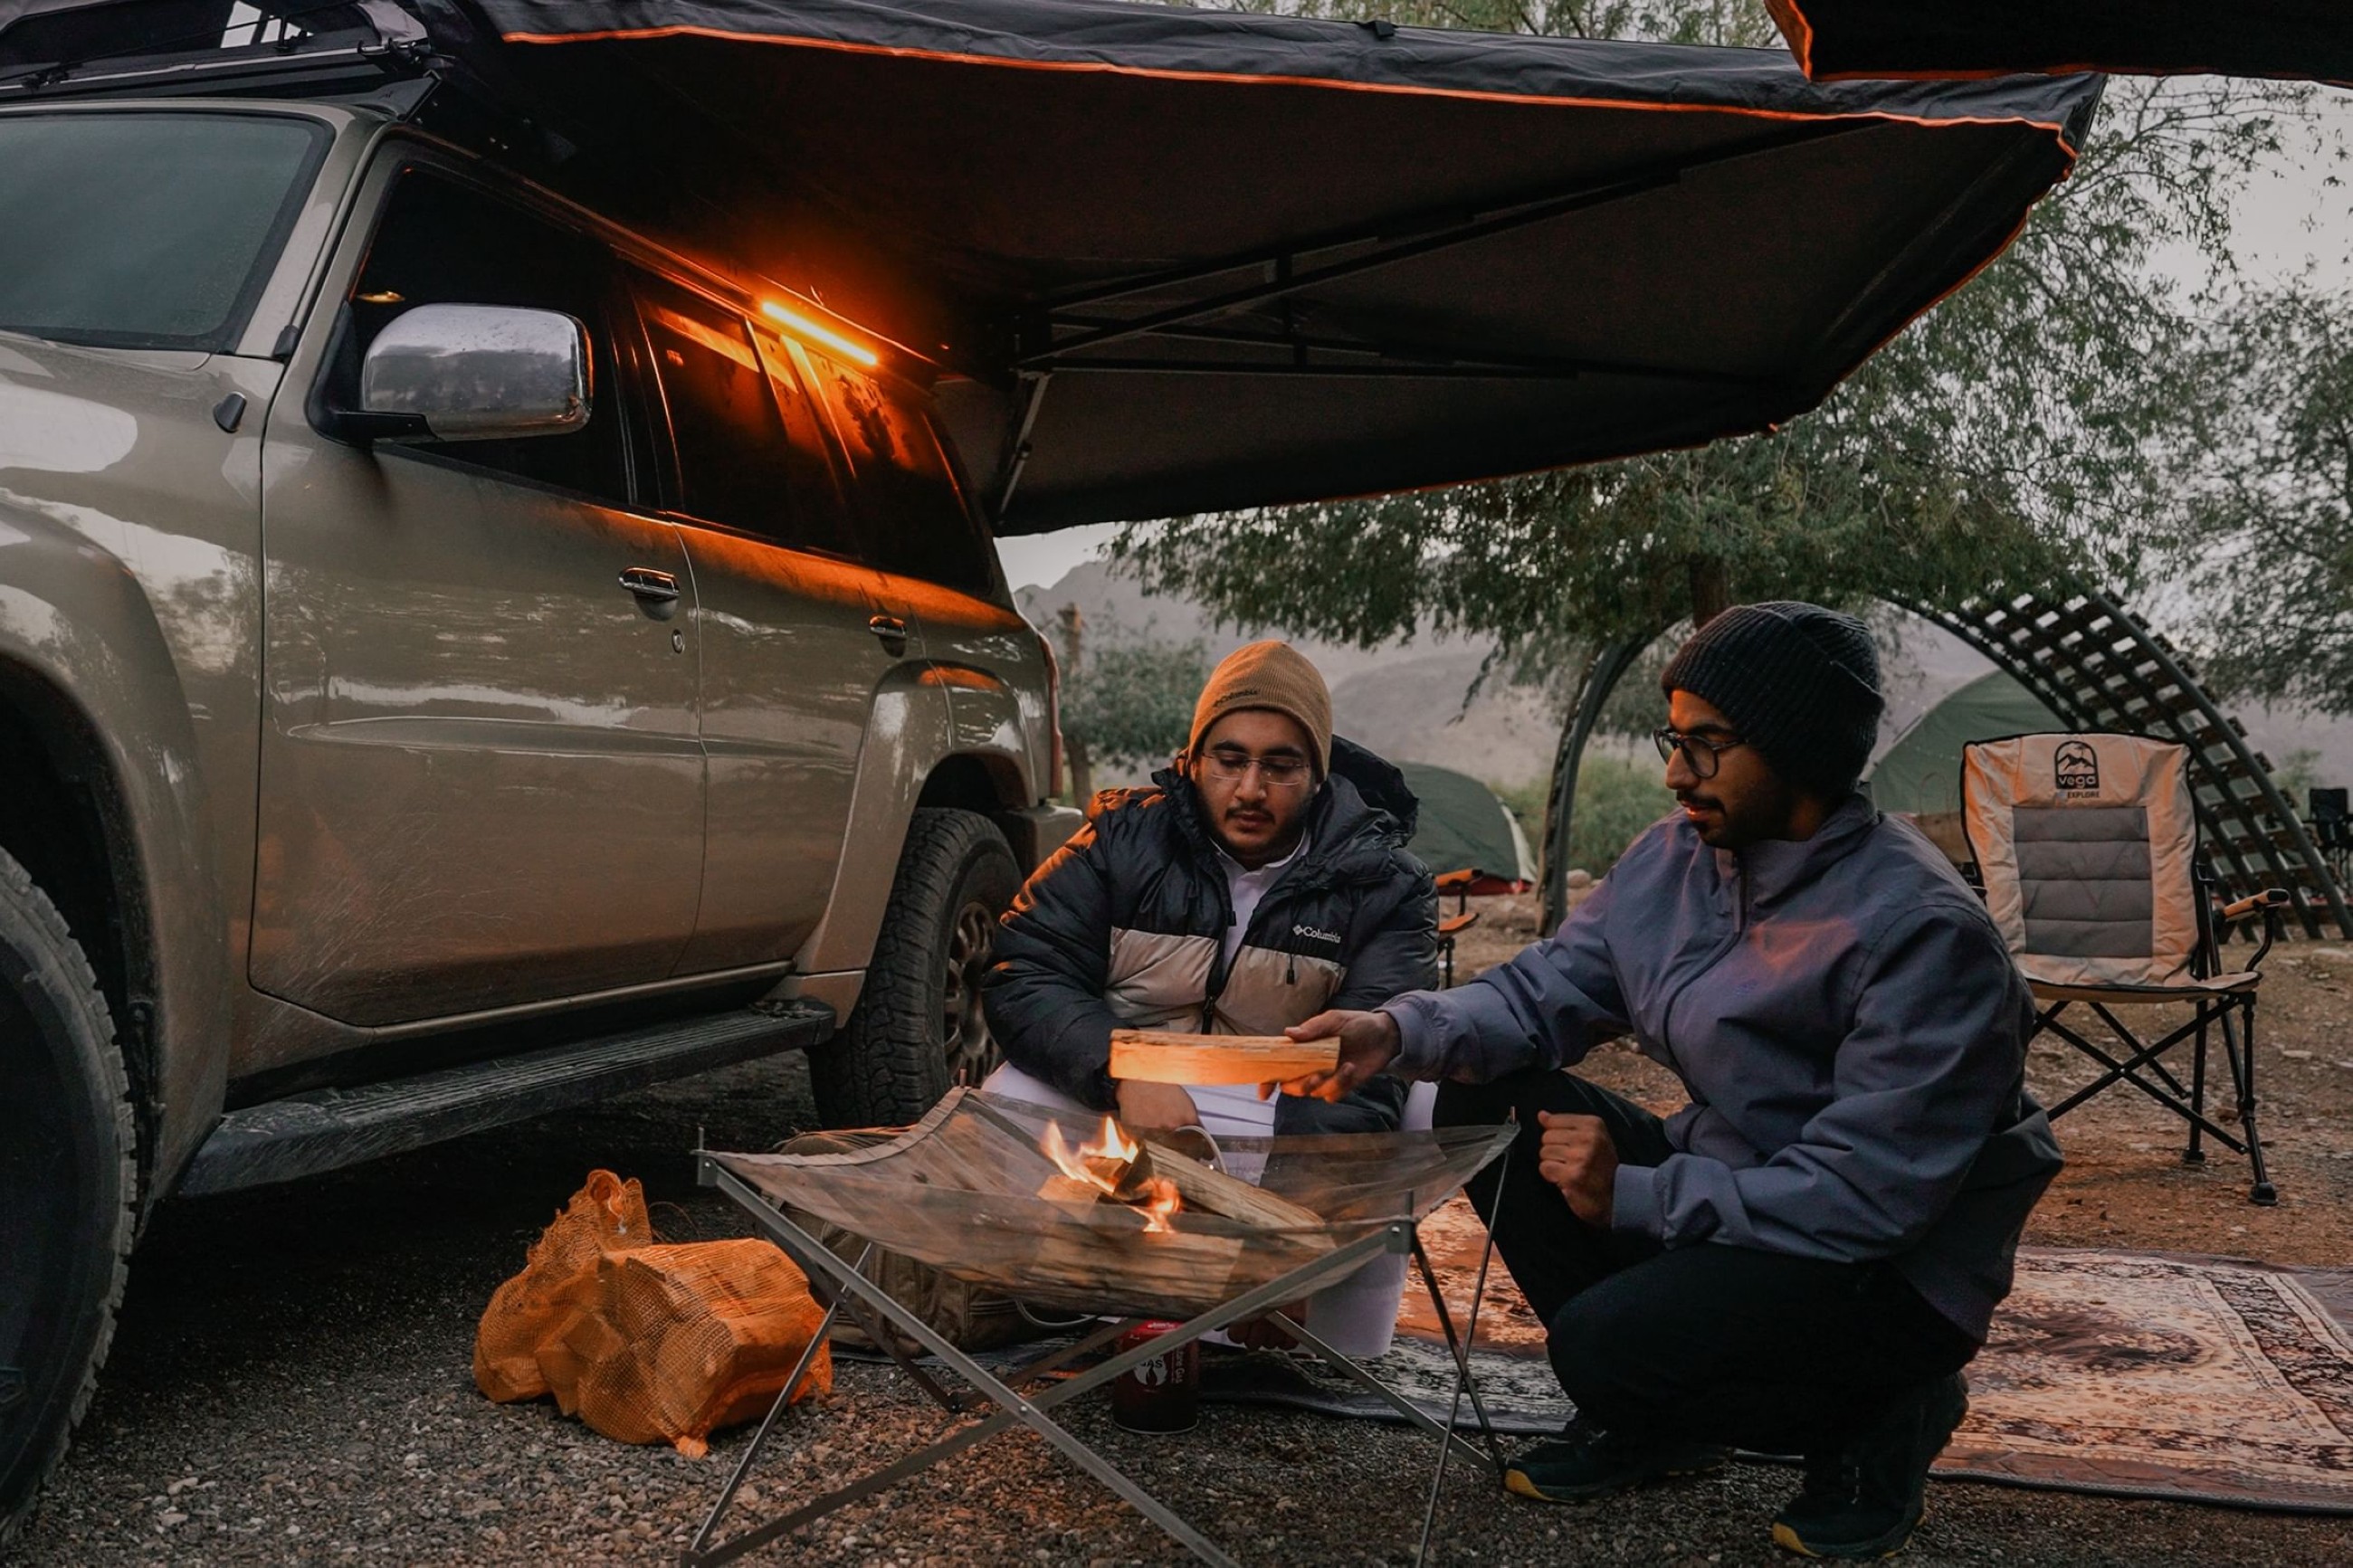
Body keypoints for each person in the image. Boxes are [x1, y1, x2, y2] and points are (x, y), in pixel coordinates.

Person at [1283, 603, 2062, 1560]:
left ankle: (1881, 1415)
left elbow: (1867, 1197)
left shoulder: (1921, 932)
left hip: (1884, 1263)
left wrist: (1640, 1194)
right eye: (1673, 738)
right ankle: (1663, 1412)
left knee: (1606, 1348)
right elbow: (1543, 992)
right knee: (1474, 1091)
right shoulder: (1674, 858)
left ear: (1800, 748)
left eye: (1708, 744)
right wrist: (1391, 1029)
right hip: (1745, 1183)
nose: (1673, 771)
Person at [980, 639, 1437, 1352]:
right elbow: (1025, 972)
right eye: (1229, 759)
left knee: (1422, 1094)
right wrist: (1126, 1066)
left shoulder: (1384, 882)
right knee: (1009, 1091)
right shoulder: (1120, 838)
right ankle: (1058, 1295)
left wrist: (1285, 1239)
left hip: (1284, 1113)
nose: (1250, 789)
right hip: (1134, 1098)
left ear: (1318, 774)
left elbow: (1364, 1063)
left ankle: (1319, 1309)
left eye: (1280, 765)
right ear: (1193, 761)